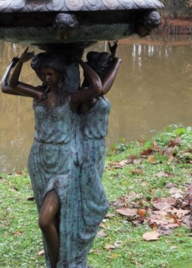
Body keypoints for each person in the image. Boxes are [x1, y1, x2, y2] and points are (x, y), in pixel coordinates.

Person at [1, 48, 102, 268]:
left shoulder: (70, 98)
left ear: (60, 74)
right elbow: (9, 85)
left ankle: (60, 264)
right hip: (39, 158)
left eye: (51, 74)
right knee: (49, 215)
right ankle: (56, 263)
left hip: (63, 160)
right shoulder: (41, 94)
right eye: (43, 74)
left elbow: (97, 87)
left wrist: (80, 62)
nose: (47, 78)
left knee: (45, 220)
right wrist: (17, 63)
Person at [76, 42, 122, 264]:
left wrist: (115, 60)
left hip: (97, 148)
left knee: (90, 192)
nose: (103, 76)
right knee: (98, 201)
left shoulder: (94, 92)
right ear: (93, 72)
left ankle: (82, 230)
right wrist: (82, 62)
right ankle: (82, 232)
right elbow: (101, 87)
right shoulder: (87, 95)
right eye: (100, 71)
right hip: (87, 149)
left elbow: (104, 85)